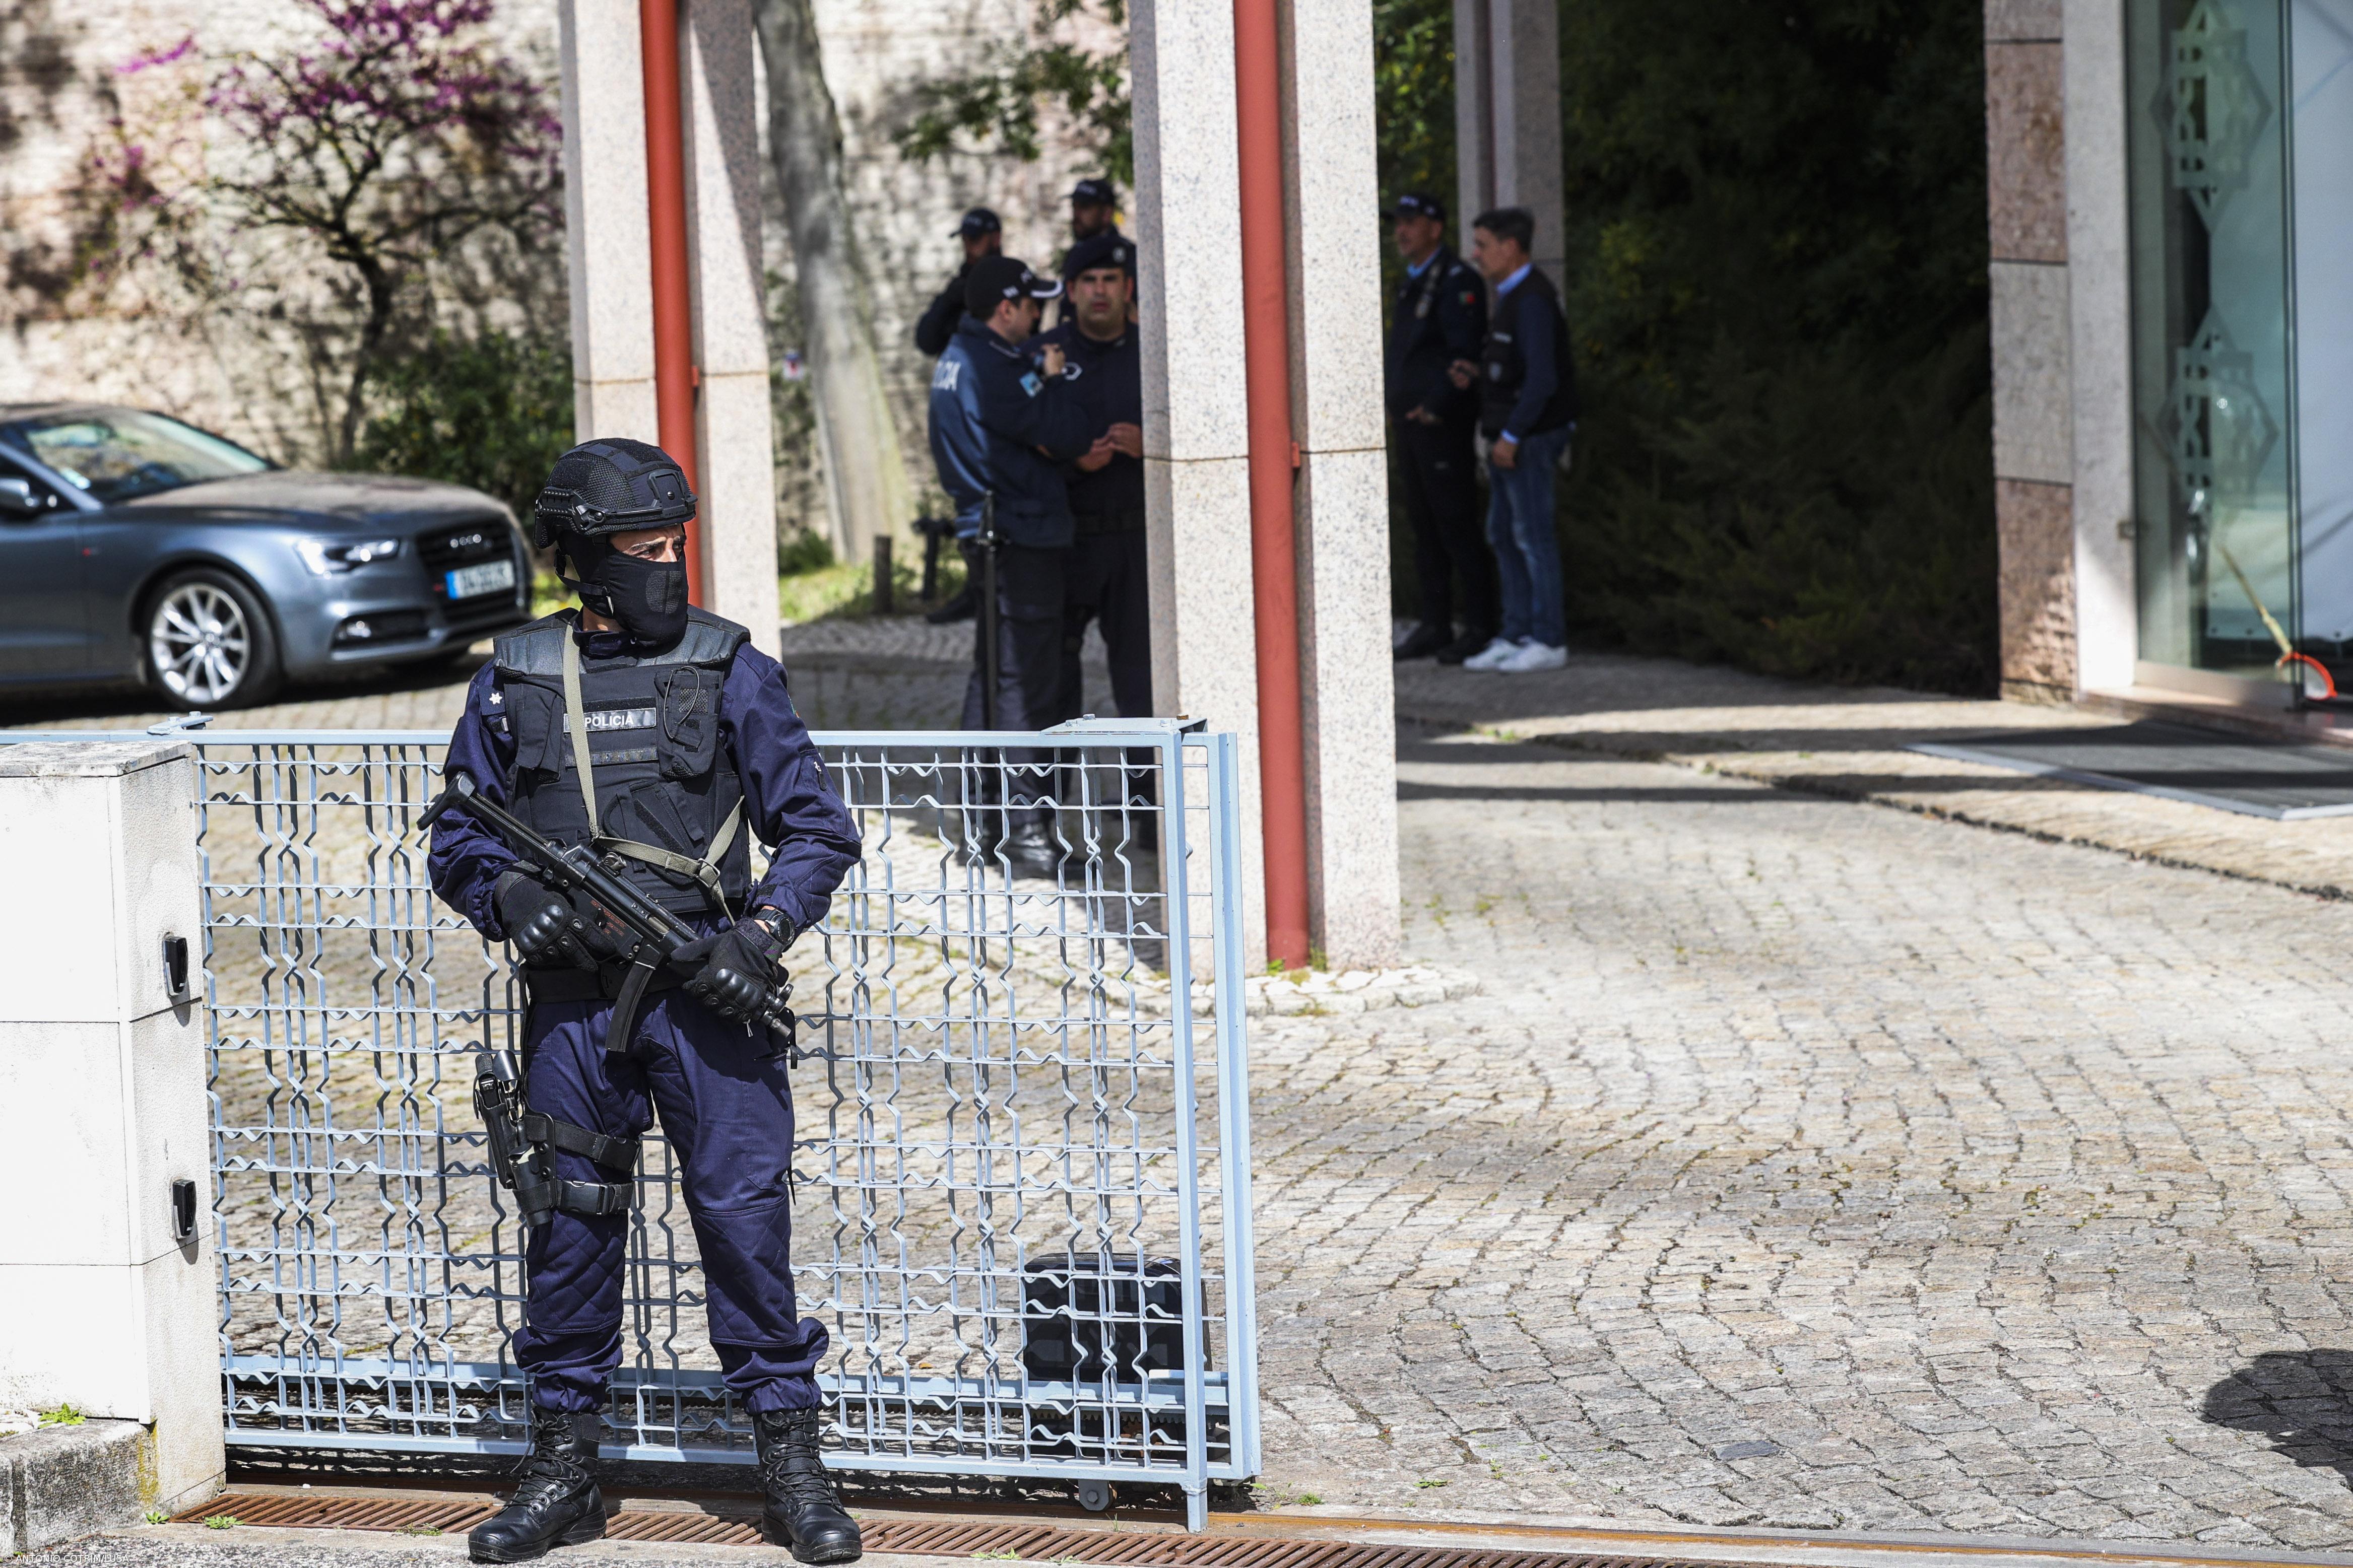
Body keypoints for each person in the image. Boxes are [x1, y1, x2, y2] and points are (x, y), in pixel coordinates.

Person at [427, 439, 865, 1567]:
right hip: (573, 1011)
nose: (668, 565)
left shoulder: (730, 668)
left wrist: (756, 936)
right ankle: (565, 1464)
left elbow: (817, 830)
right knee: (568, 1220)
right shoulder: (514, 676)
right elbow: (460, 832)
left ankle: (789, 1458)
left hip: (707, 1000)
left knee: (741, 1221)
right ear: (584, 556)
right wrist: (510, 890)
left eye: (676, 544)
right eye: (644, 546)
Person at [927, 255, 1093, 875]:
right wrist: (1050, 379)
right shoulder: (996, 366)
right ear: (1007, 309)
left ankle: (982, 821)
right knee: (1027, 680)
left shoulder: (955, 358)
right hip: (1018, 535)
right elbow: (1068, 433)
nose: (1040, 320)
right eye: (1034, 307)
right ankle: (1025, 829)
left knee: (991, 677)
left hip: (989, 530)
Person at [1450, 206, 1577, 673]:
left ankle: (1548, 638)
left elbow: (1543, 378)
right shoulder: (1511, 296)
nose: (1476, 254)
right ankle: (1517, 631)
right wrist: (1481, 375)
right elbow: (1518, 368)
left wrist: (1512, 434)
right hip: (1512, 435)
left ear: (1510, 247)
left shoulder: (1532, 298)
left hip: (1530, 438)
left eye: (1483, 244)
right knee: (1503, 532)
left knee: (1531, 536)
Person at [1038, 232, 1150, 724]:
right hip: (1066, 538)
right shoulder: (1046, 354)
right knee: (1053, 679)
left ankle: (1143, 800)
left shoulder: (1155, 353)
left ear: (1128, 288)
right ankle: (1045, 799)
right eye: (1089, 280)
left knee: (1140, 679)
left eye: (1110, 279)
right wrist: (1073, 459)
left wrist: (1154, 448)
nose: (1100, 290)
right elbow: (1017, 444)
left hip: (1134, 540)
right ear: (1070, 290)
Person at [1382, 192, 1497, 665]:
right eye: (1398, 223)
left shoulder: (1456, 280)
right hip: (1410, 426)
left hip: (1440, 425)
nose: (1401, 231)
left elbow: (1463, 353)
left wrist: (1434, 407)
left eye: (1410, 222)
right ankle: (1435, 624)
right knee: (1424, 527)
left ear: (1435, 226)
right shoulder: (1412, 282)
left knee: (1456, 522)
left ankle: (1481, 625)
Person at [915, 207, 1003, 359]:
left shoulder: (1010, 280)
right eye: (964, 239)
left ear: (995, 239)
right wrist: (949, 300)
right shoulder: (959, 287)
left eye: (975, 239)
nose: (968, 246)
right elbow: (927, 342)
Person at [1068, 177, 1123, 247]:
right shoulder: (1078, 252)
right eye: (1074, 207)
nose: (1077, 214)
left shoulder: (1123, 254)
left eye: (1084, 207)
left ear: (1106, 213)